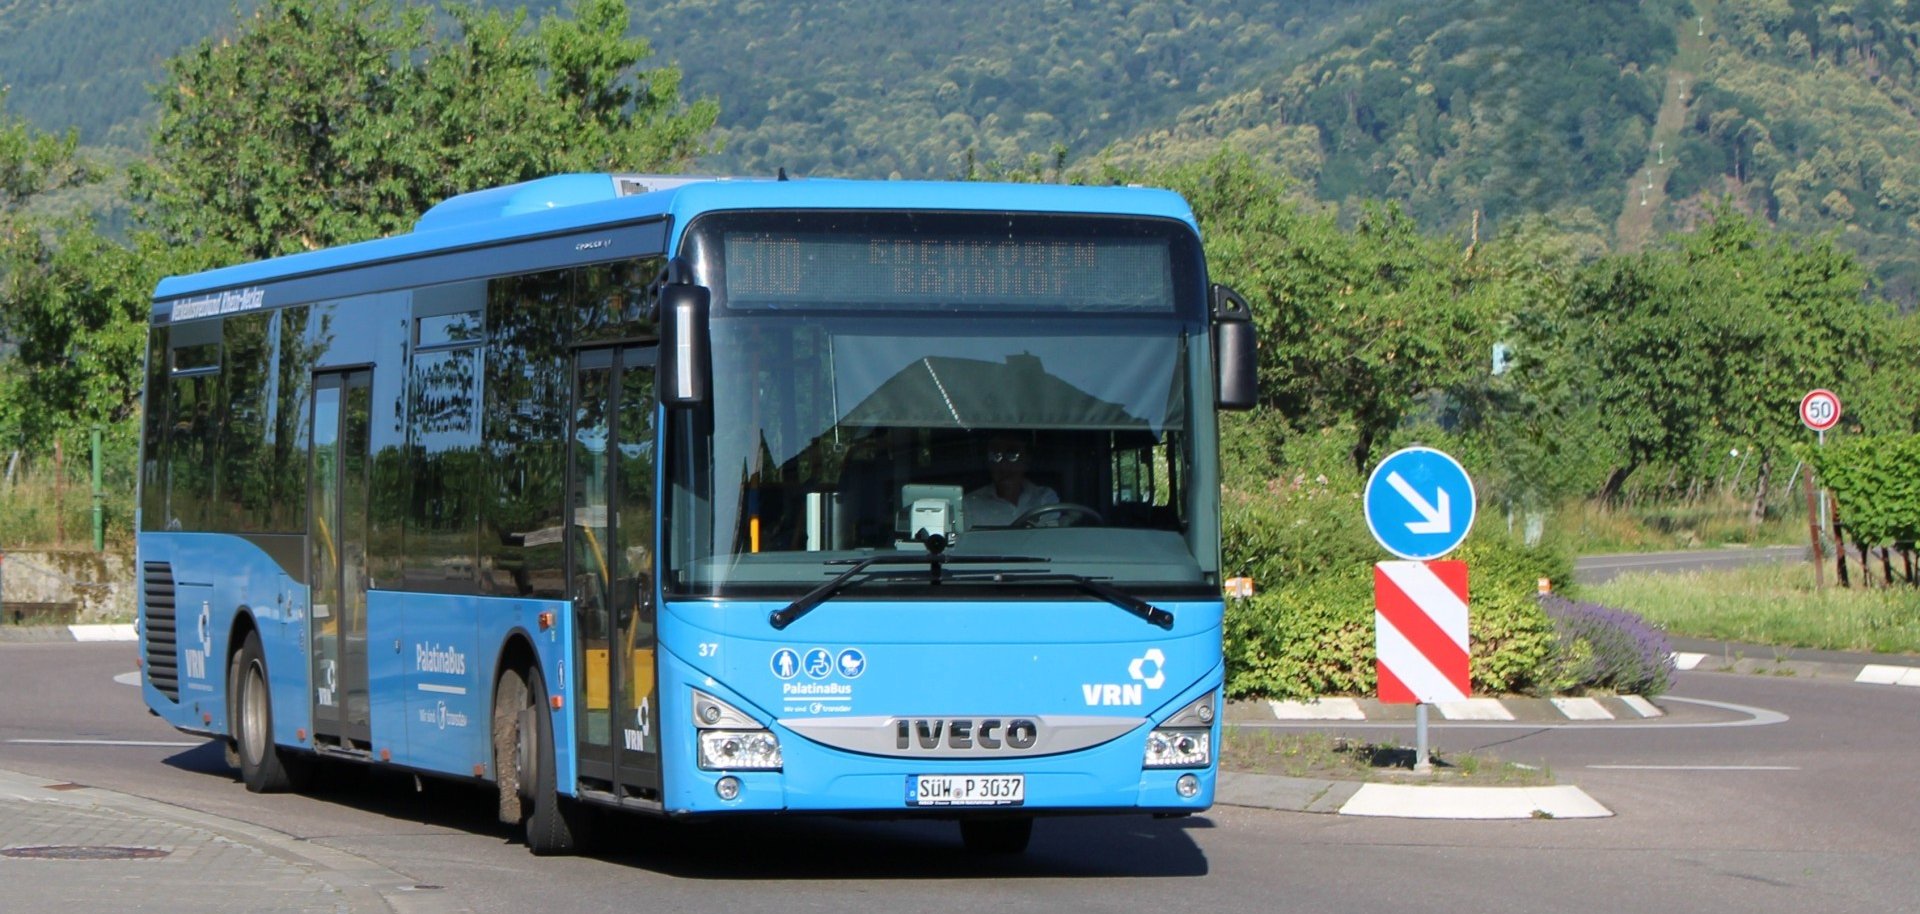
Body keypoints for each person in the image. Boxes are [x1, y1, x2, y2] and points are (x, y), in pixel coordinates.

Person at [963, 433, 1059, 528]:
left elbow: (1052, 539)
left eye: (1013, 455)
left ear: (1027, 460)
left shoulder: (1044, 498)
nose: (1003, 466)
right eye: (996, 456)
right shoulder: (969, 505)